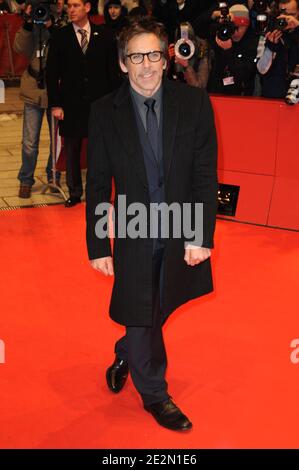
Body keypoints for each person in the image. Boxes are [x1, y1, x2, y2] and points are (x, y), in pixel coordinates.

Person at [86, 16, 218, 431]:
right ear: (123, 63)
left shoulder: (194, 104)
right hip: (133, 231)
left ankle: (126, 350)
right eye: (136, 56)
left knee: (159, 306)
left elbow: (204, 174)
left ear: (166, 59)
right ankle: (155, 394)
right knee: (142, 312)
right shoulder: (103, 112)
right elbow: (96, 182)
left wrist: (199, 235)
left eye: (154, 55)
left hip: (180, 228)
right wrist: (97, 244)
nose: (146, 65)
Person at [46, 0, 121, 207]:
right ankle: (75, 192)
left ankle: (99, 192)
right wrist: (56, 105)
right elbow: (52, 74)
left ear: (87, 8)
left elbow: (112, 73)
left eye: (76, 6)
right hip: (70, 105)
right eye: (69, 6)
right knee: (72, 150)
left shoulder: (105, 35)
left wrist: (116, 103)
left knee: (100, 152)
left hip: (101, 105)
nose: (71, 10)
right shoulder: (60, 37)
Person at [14, 1, 67, 199]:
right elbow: (19, 47)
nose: (41, 12)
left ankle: (54, 176)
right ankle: (25, 180)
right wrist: (28, 23)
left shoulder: (60, 24)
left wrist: (51, 26)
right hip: (32, 88)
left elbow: (67, 48)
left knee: (57, 140)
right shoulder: (31, 24)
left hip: (56, 90)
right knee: (29, 141)